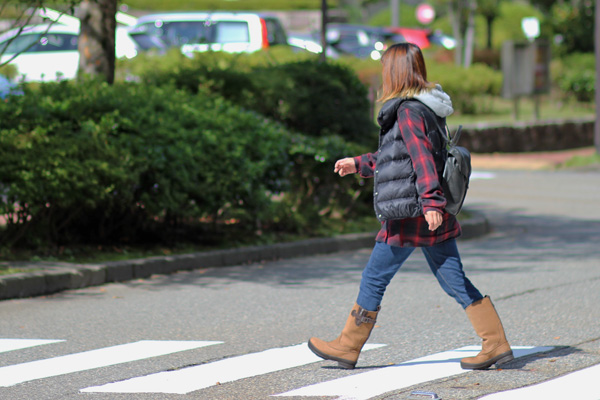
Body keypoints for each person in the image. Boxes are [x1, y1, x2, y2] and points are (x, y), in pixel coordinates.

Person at [307, 43, 513, 371]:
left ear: (395, 72)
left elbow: (421, 160)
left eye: (385, 68)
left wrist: (431, 201)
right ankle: (496, 343)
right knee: (453, 279)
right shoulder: (424, 108)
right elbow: (396, 159)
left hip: (410, 213)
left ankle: (348, 346)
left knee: (375, 277)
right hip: (427, 211)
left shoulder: (407, 111)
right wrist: (359, 163)